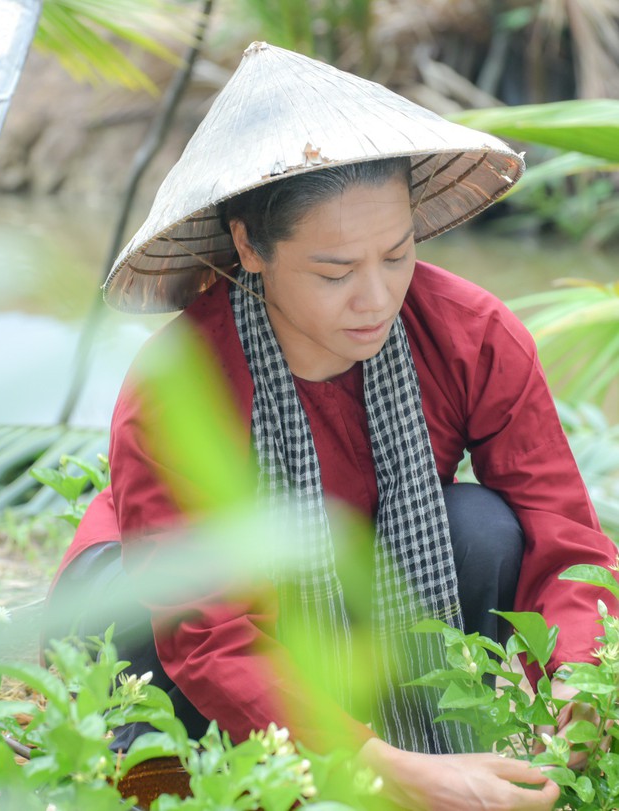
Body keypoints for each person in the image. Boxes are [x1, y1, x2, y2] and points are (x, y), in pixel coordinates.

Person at [44, 42, 617, 810]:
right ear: (250, 246)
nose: (375, 298)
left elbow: (568, 540)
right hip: (176, 607)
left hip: (351, 580)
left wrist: (580, 686)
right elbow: (206, 634)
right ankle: (185, 766)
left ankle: (410, 735)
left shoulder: (471, 335)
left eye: (397, 253)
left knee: (483, 529)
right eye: (334, 272)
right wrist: (382, 769)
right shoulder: (180, 384)